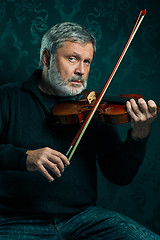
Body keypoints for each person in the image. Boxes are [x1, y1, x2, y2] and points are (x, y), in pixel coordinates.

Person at [0, 22, 159, 240]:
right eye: (72, 58)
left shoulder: (93, 108)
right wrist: (24, 157)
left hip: (82, 219)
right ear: (47, 58)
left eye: (87, 62)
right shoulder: (7, 98)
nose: (81, 71)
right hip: (17, 219)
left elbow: (119, 175)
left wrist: (140, 134)